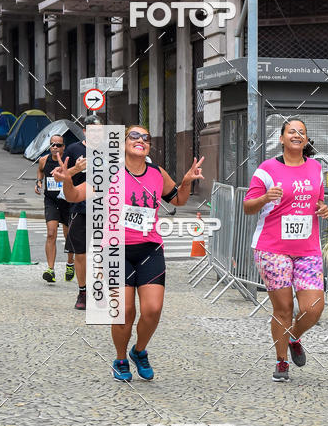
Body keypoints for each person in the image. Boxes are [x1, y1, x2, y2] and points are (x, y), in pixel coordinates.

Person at [55, 126, 204, 383]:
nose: (141, 140)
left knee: (152, 309)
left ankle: (139, 350)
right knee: (124, 310)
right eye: (134, 136)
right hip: (114, 250)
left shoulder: (157, 173)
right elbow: (75, 195)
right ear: (123, 144)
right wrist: (68, 181)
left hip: (150, 248)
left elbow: (177, 200)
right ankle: (121, 358)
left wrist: (187, 182)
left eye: (146, 137)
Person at [243, 118, 328, 383]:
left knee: (314, 307)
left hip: (308, 249)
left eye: (301, 132)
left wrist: (324, 209)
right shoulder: (266, 170)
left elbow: (319, 201)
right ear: (281, 138)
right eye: (291, 131)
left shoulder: (316, 168)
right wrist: (264, 198)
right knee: (283, 308)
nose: (296, 135)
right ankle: (282, 361)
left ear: (305, 140)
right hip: (272, 249)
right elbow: (248, 206)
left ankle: (294, 336)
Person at [64, 114, 102, 310]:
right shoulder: (74, 149)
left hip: (105, 208)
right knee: (81, 253)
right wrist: (76, 169)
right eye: (93, 130)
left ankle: (100, 290)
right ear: (85, 131)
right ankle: (83, 292)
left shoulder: (110, 151)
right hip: (81, 206)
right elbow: (62, 176)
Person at [35, 134, 75, 283]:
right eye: (53, 145)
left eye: (59, 145)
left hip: (68, 201)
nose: (56, 148)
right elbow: (40, 171)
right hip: (51, 201)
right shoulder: (43, 160)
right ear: (49, 146)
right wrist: (39, 181)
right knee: (51, 233)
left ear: (64, 147)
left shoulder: (68, 162)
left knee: (68, 235)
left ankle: (70, 264)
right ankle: (50, 270)